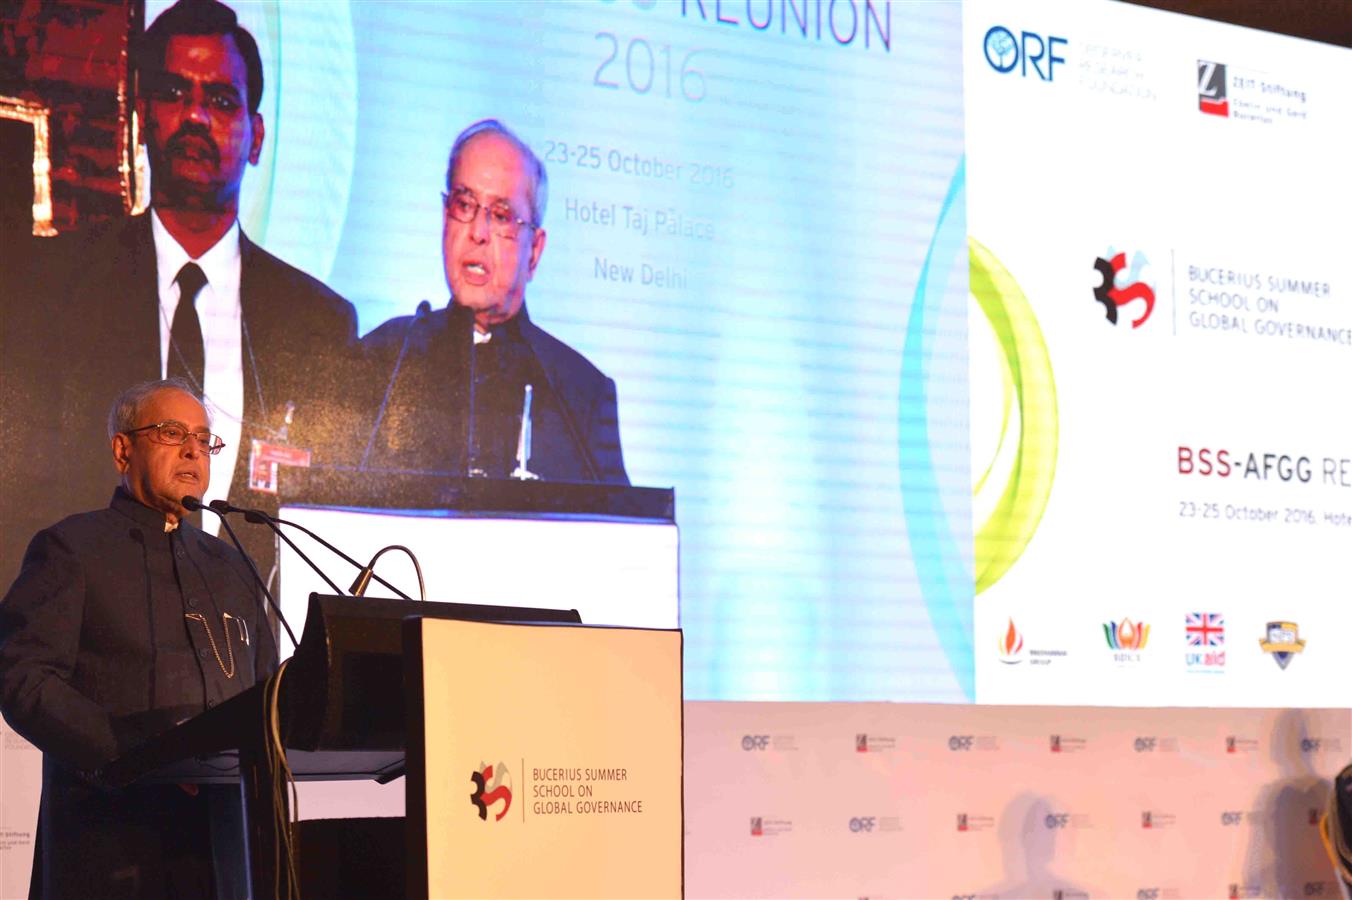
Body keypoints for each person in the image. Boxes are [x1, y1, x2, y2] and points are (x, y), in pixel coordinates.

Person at [0, 0, 357, 591]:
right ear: (143, 118)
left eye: (220, 100)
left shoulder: (320, 322)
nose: (195, 116)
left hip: (256, 662)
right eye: (173, 93)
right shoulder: (53, 286)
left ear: (256, 136)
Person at [0, 378, 277, 899]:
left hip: (227, 848)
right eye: (172, 432)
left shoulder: (233, 565)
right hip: (110, 844)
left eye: (203, 438)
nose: (194, 449)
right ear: (122, 450)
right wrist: (132, 752)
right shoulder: (72, 548)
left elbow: (267, 690)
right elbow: (21, 675)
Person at [360, 119, 629, 484]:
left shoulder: (580, 395)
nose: (477, 232)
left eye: (501, 215)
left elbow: (619, 534)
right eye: (464, 204)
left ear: (534, 251)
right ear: (445, 218)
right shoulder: (383, 358)